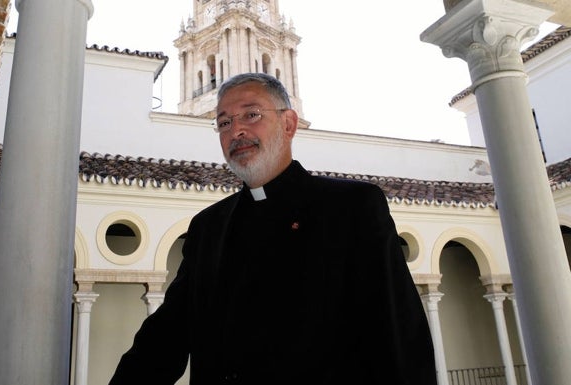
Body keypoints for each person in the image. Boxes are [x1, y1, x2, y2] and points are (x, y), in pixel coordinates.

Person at [109, 73, 437, 384]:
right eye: (224, 122)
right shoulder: (208, 227)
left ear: (289, 123)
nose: (235, 130)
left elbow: (398, 333)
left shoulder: (351, 207)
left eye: (251, 115)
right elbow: (166, 336)